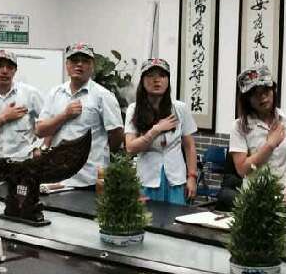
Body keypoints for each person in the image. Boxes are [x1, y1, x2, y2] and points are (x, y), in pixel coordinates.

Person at [36, 42, 123, 187]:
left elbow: (116, 134)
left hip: (90, 178)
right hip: (58, 176)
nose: (79, 65)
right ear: (67, 65)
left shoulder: (103, 95)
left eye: (85, 61)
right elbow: (40, 131)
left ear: (92, 66)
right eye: (75, 60)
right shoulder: (55, 93)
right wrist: (64, 115)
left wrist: (101, 154)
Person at [229, 65, 286, 223]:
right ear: (247, 99)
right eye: (255, 94)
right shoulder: (239, 126)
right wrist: (270, 145)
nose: (263, 97)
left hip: (285, 201)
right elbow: (242, 169)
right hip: (253, 202)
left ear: (273, 90)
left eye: (266, 91)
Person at [124, 58, 198, 202]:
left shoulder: (180, 108)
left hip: (176, 179)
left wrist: (192, 176)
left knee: (176, 216)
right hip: (147, 179)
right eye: (151, 75)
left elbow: (189, 146)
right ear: (142, 81)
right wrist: (156, 130)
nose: (157, 80)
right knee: (148, 216)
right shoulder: (134, 109)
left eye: (162, 76)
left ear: (168, 81)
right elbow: (130, 148)